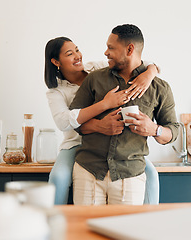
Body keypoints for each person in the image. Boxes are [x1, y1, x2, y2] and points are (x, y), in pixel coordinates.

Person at [70, 24, 179, 205]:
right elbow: (73, 120)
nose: (106, 52)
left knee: (124, 232)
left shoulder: (159, 88)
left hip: (130, 176)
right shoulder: (94, 79)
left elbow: (175, 131)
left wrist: (154, 129)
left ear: (130, 49)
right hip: (88, 171)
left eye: (111, 48)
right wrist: (100, 125)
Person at [44, 36, 160, 205]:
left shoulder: (96, 68)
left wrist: (149, 74)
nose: (78, 55)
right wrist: (105, 104)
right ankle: (56, 223)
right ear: (56, 62)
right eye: (70, 53)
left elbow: (142, 62)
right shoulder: (56, 92)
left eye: (77, 49)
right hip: (77, 143)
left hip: (108, 140)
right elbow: (64, 122)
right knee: (58, 177)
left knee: (151, 173)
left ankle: (150, 223)